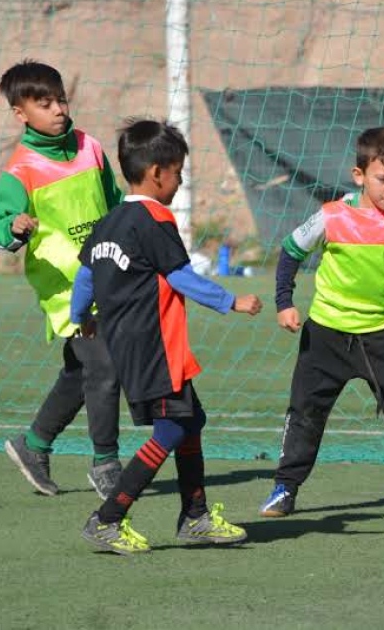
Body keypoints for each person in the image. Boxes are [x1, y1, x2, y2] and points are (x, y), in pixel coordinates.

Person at [73, 119, 261, 555]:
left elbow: (85, 277)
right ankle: (107, 518)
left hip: (128, 345)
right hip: (157, 347)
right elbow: (179, 276)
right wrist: (229, 301)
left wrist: (80, 317)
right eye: (178, 172)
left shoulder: (110, 221)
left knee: (190, 420)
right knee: (173, 428)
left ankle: (194, 517)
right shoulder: (155, 219)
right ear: (158, 172)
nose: (179, 182)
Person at [260, 127, 384, 518]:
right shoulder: (331, 216)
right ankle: (285, 488)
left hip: (383, 336)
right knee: (305, 412)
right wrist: (284, 303)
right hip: (326, 333)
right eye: (383, 178)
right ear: (359, 175)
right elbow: (291, 251)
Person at [0, 60, 124, 500]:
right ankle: (106, 464)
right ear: (21, 114)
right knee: (105, 365)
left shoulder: (90, 148)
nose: (57, 110)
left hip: (106, 272)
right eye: (43, 104)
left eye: (60, 99)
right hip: (64, 286)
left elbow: (115, 201)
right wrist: (13, 227)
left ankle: (34, 443)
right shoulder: (22, 168)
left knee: (81, 368)